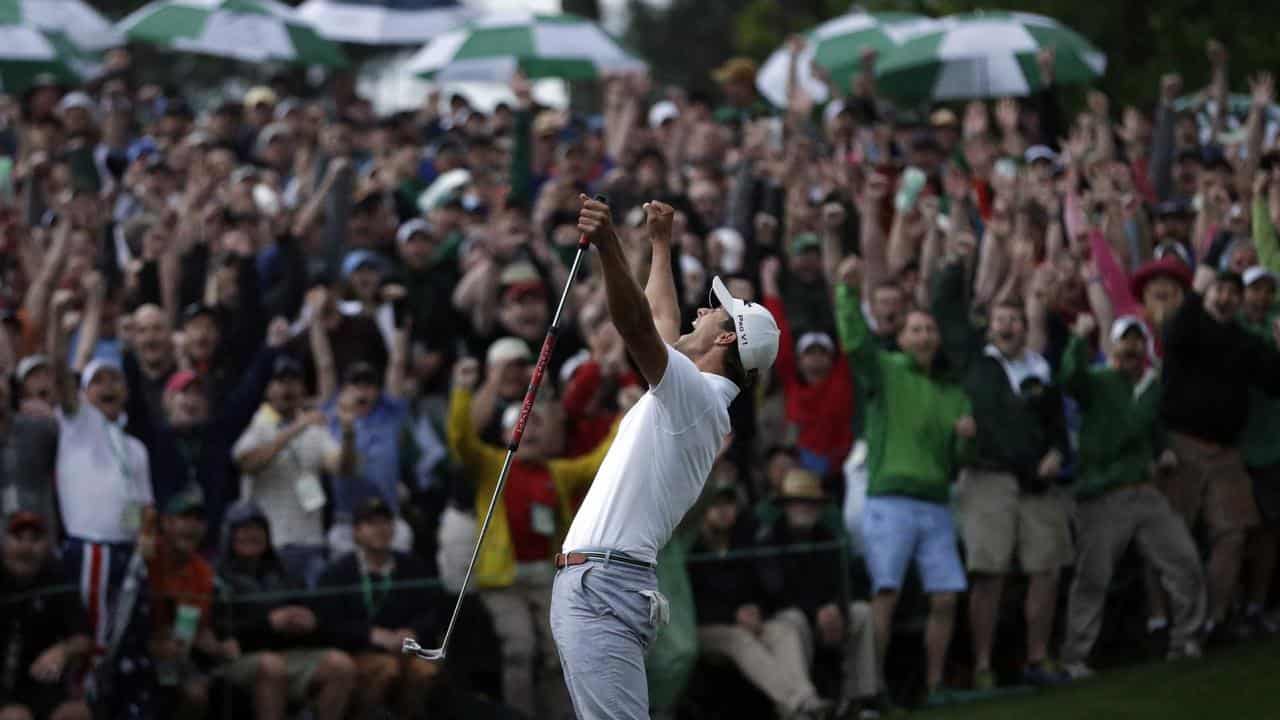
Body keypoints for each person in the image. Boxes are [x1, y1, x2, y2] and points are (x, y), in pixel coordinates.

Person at [551, 197, 779, 720]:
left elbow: (637, 327)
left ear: (725, 337)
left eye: (714, 311)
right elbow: (658, 319)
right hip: (604, 584)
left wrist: (611, 246)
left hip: (602, 588)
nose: (702, 308)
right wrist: (657, 245)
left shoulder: (695, 398)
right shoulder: (697, 396)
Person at [833, 255, 974, 706]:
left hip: (936, 501)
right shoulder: (886, 369)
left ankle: (935, 685)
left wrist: (966, 441)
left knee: (946, 598)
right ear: (901, 336)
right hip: (890, 501)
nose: (924, 336)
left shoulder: (952, 392)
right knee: (886, 595)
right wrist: (848, 294)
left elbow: (958, 458)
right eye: (915, 329)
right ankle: (871, 689)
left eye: (929, 330)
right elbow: (855, 343)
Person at [447, 356, 616, 717]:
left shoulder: (556, 472)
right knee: (519, 648)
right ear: (511, 433)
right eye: (527, 425)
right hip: (504, 581)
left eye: (540, 424)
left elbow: (598, 462)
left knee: (559, 653)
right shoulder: (493, 466)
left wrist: (624, 418)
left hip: (546, 578)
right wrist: (462, 391)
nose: (534, 431)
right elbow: (461, 440)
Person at [933, 256, 1072, 688]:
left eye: (1015, 318)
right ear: (989, 325)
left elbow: (1058, 429)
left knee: (1045, 570)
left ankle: (1037, 658)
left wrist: (1057, 454)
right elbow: (944, 308)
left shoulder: (1040, 368)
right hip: (987, 477)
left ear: (1025, 326)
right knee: (989, 575)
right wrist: (957, 261)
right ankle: (982, 666)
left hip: (1037, 484)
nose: (1008, 325)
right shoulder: (974, 359)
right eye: (1000, 319)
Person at [1057, 315, 1206, 677]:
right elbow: (1069, 379)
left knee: (1184, 561)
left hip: (1144, 490)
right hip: (1102, 494)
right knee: (1093, 577)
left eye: (1137, 342)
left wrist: (1162, 450)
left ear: (1145, 349)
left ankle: (1185, 639)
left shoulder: (1153, 386)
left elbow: (1151, 426)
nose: (1131, 348)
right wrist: (1078, 339)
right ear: (1112, 349)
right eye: (1125, 341)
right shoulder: (1100, 381)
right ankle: (1075, 657)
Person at [1156, 270, 1280, 642]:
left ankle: (1212, 618)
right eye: (1219, 291)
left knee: (1233, 533)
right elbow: (1174, 332)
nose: (1225, 298)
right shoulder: (1187, 327)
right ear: (1206, 295)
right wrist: (1197, 291)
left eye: (1232, 292)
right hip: (1183, 446)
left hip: (1226, 451)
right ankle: (1165, 620)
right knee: (1174, 537)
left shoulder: (1244, 341)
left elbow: (1275, 383)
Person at [688, 476, 831, 720]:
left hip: (746, 623)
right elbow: (691, 602)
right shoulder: (691, 549)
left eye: (729, 504)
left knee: (783, 630)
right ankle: (800, 702)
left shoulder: (746, 540)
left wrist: (755, 609)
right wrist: (732, 616)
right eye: (715, 504)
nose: (723, 511)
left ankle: (800, 706)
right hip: (705, 628)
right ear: (702, 510)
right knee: (739, 639)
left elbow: (763, 589)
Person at [754, 470, 882, 719]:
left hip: (826, 616)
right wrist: (817, 612)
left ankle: (861, 700)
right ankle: (803, 705)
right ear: (786, 506)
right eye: (798, 501)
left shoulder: (828, 536)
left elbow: (842, 584)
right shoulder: (769, 540)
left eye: (810, 502)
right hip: (783, 619)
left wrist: (836, 608)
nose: (804, 508)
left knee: (862, 613)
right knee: (793, 620)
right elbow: (775, 593)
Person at [214, 501, 357, 720]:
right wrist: (268, 624)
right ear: (229, 534)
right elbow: (220, 628)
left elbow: (315, 614)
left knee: (341, 665)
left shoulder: (283, 571)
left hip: (289, 649)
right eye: (243, 529)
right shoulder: (217, 576)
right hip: (240, 655)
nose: (252, 535)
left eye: (258, 529)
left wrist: (309, 621)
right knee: (272, 667)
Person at [233, 355, 357, 587]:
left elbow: (343, 467)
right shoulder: (257, 426)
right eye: (280, 381)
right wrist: (297, 428)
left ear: (302, 388)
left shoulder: (315, 430)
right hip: (269, 547)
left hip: (311, 543)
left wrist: (349, 433)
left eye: (293, 381)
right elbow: (247, 463)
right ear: (268, 389)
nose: (286, 388)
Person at [314, 498, 442, 720]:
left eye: (386, 522)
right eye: (371, 523)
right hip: (359, 652)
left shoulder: (413, 566)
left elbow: (433, 610)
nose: (381, 529)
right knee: (385, 669)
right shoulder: (337, 573)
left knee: (425, 672)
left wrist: (413, 631)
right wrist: (369, 634)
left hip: (407, 650)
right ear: (356, 532)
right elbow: (328, 622)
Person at [146, 490, 238, 720]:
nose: (193, 526)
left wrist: (214, 644)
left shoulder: (203, 572)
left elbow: (191, 627)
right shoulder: (145, 558)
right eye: (184, 518)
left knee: (197, 693)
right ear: (165, 523)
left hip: (175, 656)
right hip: (135, 647)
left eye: (199, 520)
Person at [0, 511, 93, 720]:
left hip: (42, 686)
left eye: (35, 539)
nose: (26, 547)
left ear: (48, 546)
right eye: (18, 538)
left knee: (76, 714)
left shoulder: (58, 580)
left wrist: (63, 650)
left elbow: (84, 638)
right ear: (3, 542)